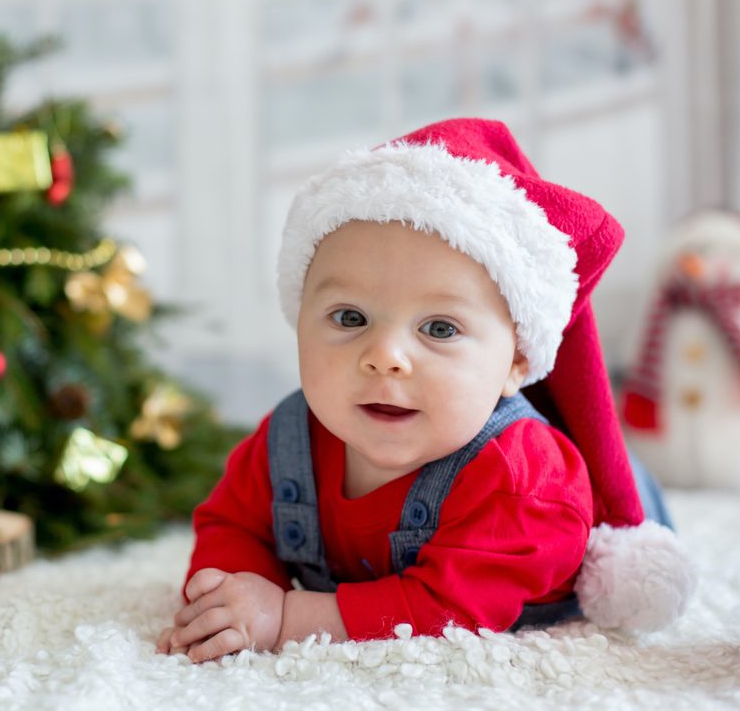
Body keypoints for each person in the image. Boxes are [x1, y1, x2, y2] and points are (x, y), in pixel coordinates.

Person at [156, 119, 695, 663]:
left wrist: (283, 617)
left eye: (439, 328)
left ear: (516, 362)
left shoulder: (523, 479)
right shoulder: (289, 440)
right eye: (349, 316)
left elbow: (449, 611)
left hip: (564, 534)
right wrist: (231, 594)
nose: (385, 356)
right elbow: (233, 522)